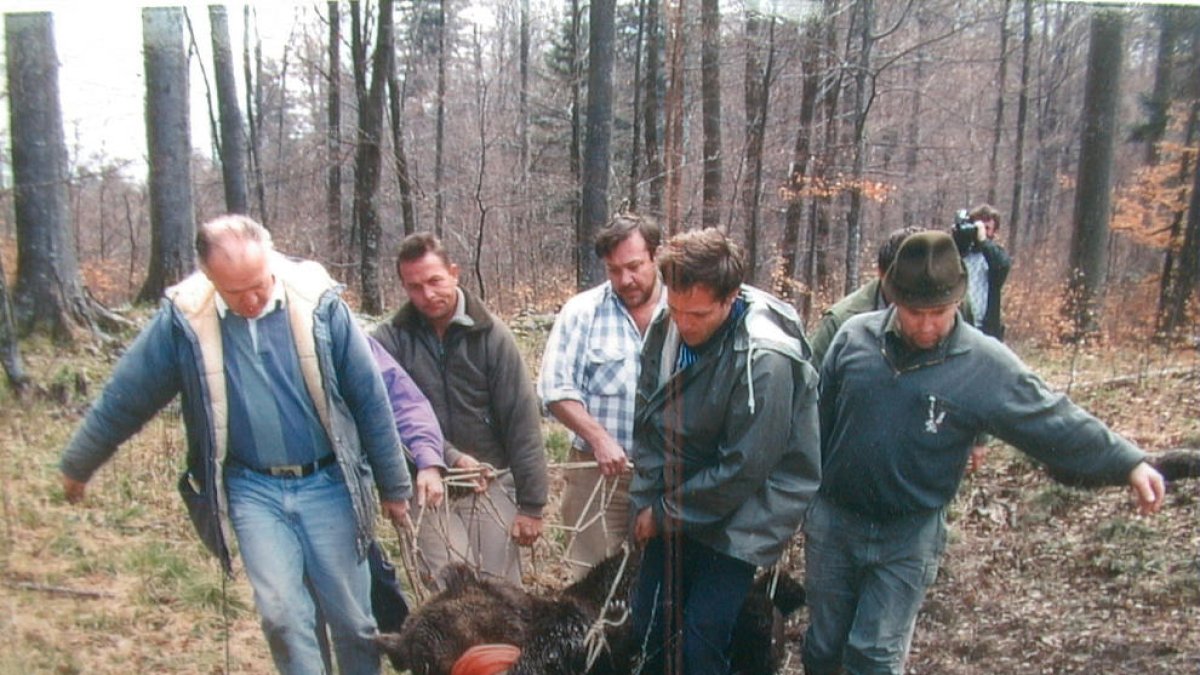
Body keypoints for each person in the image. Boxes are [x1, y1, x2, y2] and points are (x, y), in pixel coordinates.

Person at [58, 215, 411, 675]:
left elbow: (370, 398)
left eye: (258, 285)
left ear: (272, 261)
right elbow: (127, 396)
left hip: (330, 481)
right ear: (209, 279)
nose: (251, 300)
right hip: (252, 488)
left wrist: (394, 486)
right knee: (282, 617)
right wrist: (79, 463)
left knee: (353, 619)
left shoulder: (319, 305)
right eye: (235, 292)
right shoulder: (185, 319)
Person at [803, 231, 1166, 675]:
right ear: (892, 297)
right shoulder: (853, 337)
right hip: (836, 520)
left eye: (938, 312)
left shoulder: (984, 364)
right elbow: (815, 420)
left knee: (873, 655)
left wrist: (1127, 462)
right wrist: (801, 495)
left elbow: (1050, 416)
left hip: (909, 531)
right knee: (822, 647)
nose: (926, 325)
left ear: (957, 300)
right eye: (915, 312)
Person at [628, 228, 822, 674]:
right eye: (676, 309)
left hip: (746, 510)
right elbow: (650, 420)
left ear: (731, 297)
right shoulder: (668, 326)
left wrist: (661, 513)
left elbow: (744, 469)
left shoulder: (766, 361)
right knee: (650, 627)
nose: (684, 324)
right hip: (680, 496)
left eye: (697, 314)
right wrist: (647, 499)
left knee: (701, 641)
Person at [372, 232, 548, 589]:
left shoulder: (492, 336)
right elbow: (385, 417)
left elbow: (522, 422)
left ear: (454, 272)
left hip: (489, 481)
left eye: (435, 281)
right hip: (424, 484)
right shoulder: (389, 339)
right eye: (415, 286)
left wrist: (532, 505)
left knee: (502, 592)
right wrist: (448, 456)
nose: (428, 295)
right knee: (455, 594)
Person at [538, 213, 666, 578]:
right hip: (598, 473)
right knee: (593, 584)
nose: (625, 279)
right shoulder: (583, 312)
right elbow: (555, 388)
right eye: (614, 270)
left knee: (660, 582)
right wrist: (599, 439)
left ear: (655, 256)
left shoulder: (684, 309)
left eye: (634, 267)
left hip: (667, 476)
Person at [808, 226, 922, 367]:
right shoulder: (840, 321)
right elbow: (809, 381)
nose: (912, 292)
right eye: (903, 280)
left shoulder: (949, 317)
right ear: (881, 273)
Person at [953, 203, 1011, 340]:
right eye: (978, 227)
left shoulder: (995, 256)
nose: (981, 230)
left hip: (985, 329)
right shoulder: (960, 252)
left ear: (994, 232)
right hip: (959, 324)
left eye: (987, 228)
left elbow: (1002, 267)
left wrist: (983, 241)